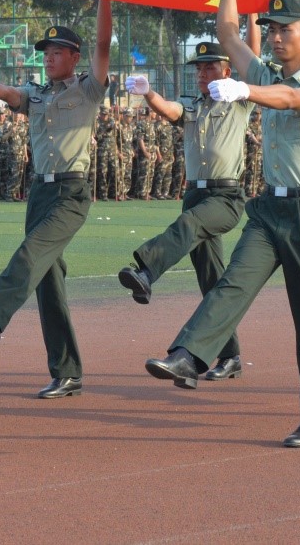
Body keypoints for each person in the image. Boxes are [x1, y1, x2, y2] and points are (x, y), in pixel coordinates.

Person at [145, 0, 300, 449]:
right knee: (232, 283)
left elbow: (293, 100)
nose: (275, 37)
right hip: (268, 208)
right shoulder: (262, 72)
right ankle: (189, 355)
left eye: (285, 29)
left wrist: (245, 91)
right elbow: (229, 34)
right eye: (271, 29)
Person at [0, 0, 111, 399]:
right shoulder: (37, 94)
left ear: (74, 57)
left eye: (57, 52)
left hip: (71, 193)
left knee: (30, 253)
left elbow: (103, 45)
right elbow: (7, 92)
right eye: (46, 53)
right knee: (48, 283)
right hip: (40, 192)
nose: (49, 58)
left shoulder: (88, 89)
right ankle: (67, 372)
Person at [119, 37, 257, 382]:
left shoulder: (239, 100)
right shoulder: (193, 104)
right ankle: (230, 356)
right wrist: (148, 93)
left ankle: (146, 271)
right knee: (211, 279)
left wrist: (250, 27)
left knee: (188, 224)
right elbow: (170, 110)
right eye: (198, 69)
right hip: (196, 193)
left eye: (210, 67)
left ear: (227, 71)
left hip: (225, 196)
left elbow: (253, 63)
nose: (202, 73)